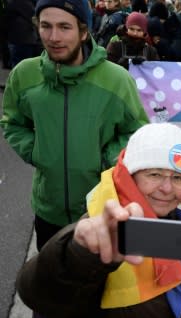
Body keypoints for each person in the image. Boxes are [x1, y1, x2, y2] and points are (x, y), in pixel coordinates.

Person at [16, 123, 181, 318]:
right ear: (131, 176)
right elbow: (41, 296)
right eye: (154, 174)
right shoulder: (106, 229)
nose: (167, 188)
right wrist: (80, 254)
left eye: (177, 178)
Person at [0, 0, 149, 251]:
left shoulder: (117, 80)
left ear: (83, 31)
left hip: (100, 209)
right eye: (45, 26)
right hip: (48, 211)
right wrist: (37, 151)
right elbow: (12, 123)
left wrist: (104, 160)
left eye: (64, 27)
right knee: (52, 282)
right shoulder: (24, 74)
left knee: (92, 287)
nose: (54, 37)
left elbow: (136, 133)